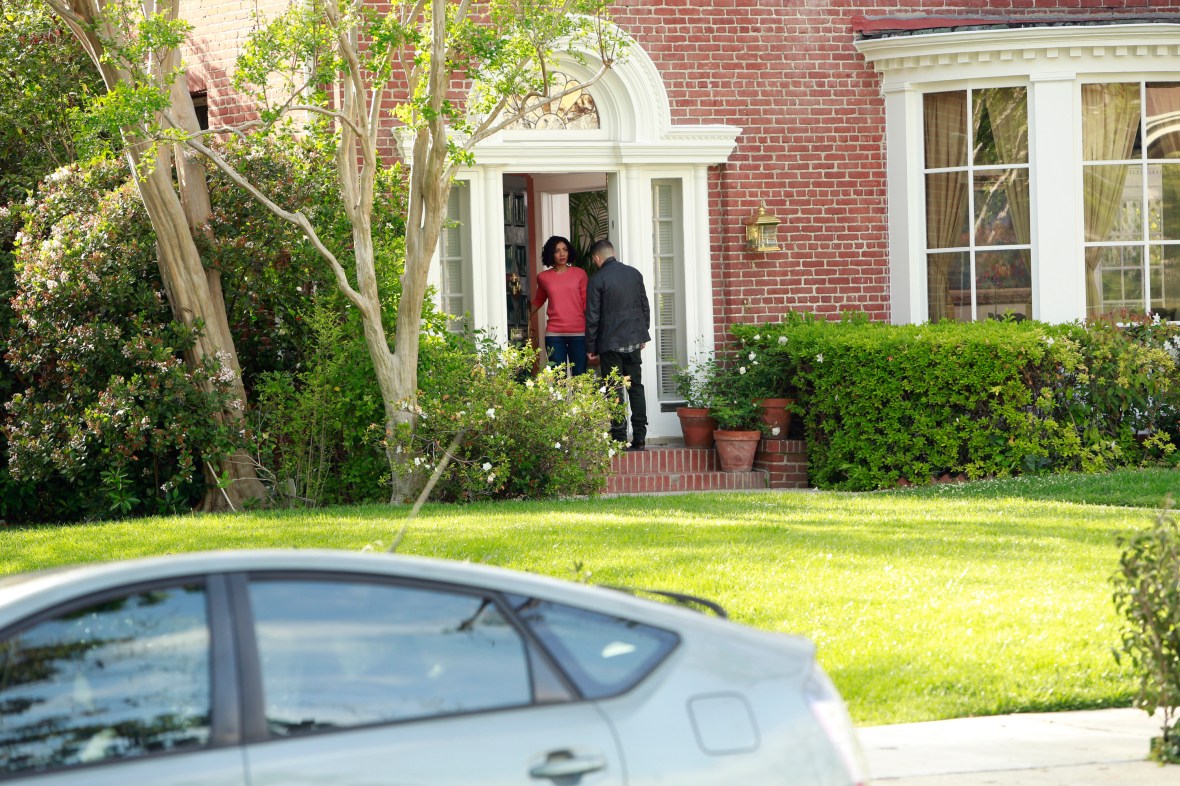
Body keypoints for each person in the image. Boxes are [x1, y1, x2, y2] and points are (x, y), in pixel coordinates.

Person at [585, 238, 650, 451]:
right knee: (636, 388)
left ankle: (619, 436)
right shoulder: (634, 273)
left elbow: (593, 317)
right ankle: (640, 437)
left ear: (596, 258)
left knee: (614, 389)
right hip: (633, 341)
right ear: (612, 253)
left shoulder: (597, 279)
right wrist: (642, 334)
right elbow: (644, 306)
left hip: (610, 344)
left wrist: (590, 348)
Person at [529, 235, 588, 376]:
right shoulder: (543, 277)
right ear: (551, 254)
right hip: (554, 335)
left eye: (565, 250)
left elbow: (586, 302)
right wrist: (523, 319)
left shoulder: (580, 274)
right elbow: (538, 300)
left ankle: (579, 400)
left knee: (580, 378)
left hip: (579, 334)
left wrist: (595, 329)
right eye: (557, 251)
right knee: (558, 379)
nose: (562, 254)